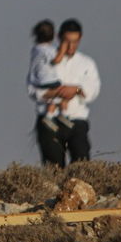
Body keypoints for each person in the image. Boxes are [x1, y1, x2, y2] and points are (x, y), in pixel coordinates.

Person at [27, 18, 101, 167]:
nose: (71, 46)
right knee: (53, 169)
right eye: (67, 41)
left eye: (75, 41)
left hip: (76, 120)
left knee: (82, 164)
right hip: (49, 121)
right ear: (59, 38)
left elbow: (93, 90)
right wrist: (57, 93)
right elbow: (33, 88)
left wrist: (76, 90)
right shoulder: (46, 58)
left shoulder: (86, 63)